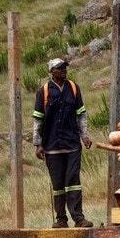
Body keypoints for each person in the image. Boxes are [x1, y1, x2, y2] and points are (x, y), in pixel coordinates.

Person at [32, 58, 93, 228]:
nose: (64, 70)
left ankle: (79, 218)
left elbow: (81, 114)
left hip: (72, 144)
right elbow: (38, 120)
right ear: (51, 71)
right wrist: (38, 144)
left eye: (65, 67)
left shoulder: (73, 88)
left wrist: (85, 136)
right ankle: (61, 219)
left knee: (73, 180)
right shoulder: (43, 92)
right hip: (51, 147)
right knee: (58, 184)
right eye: (60, 68)